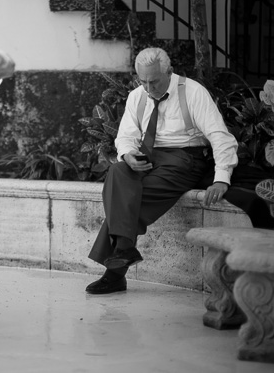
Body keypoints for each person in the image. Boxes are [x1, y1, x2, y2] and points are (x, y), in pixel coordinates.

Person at [86, 47, 259, 294]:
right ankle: (123, 251)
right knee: (117, 173)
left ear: (169, 72)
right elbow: (125, 136)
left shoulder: (192, 92)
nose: (148, 87)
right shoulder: (138, 96)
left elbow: (220, 137)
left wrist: (222, 178)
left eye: (154, 81)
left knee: (125, 201)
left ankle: (115, 273)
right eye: (143, 81)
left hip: (184, 159)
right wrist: (128, 155)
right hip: (148, 157)